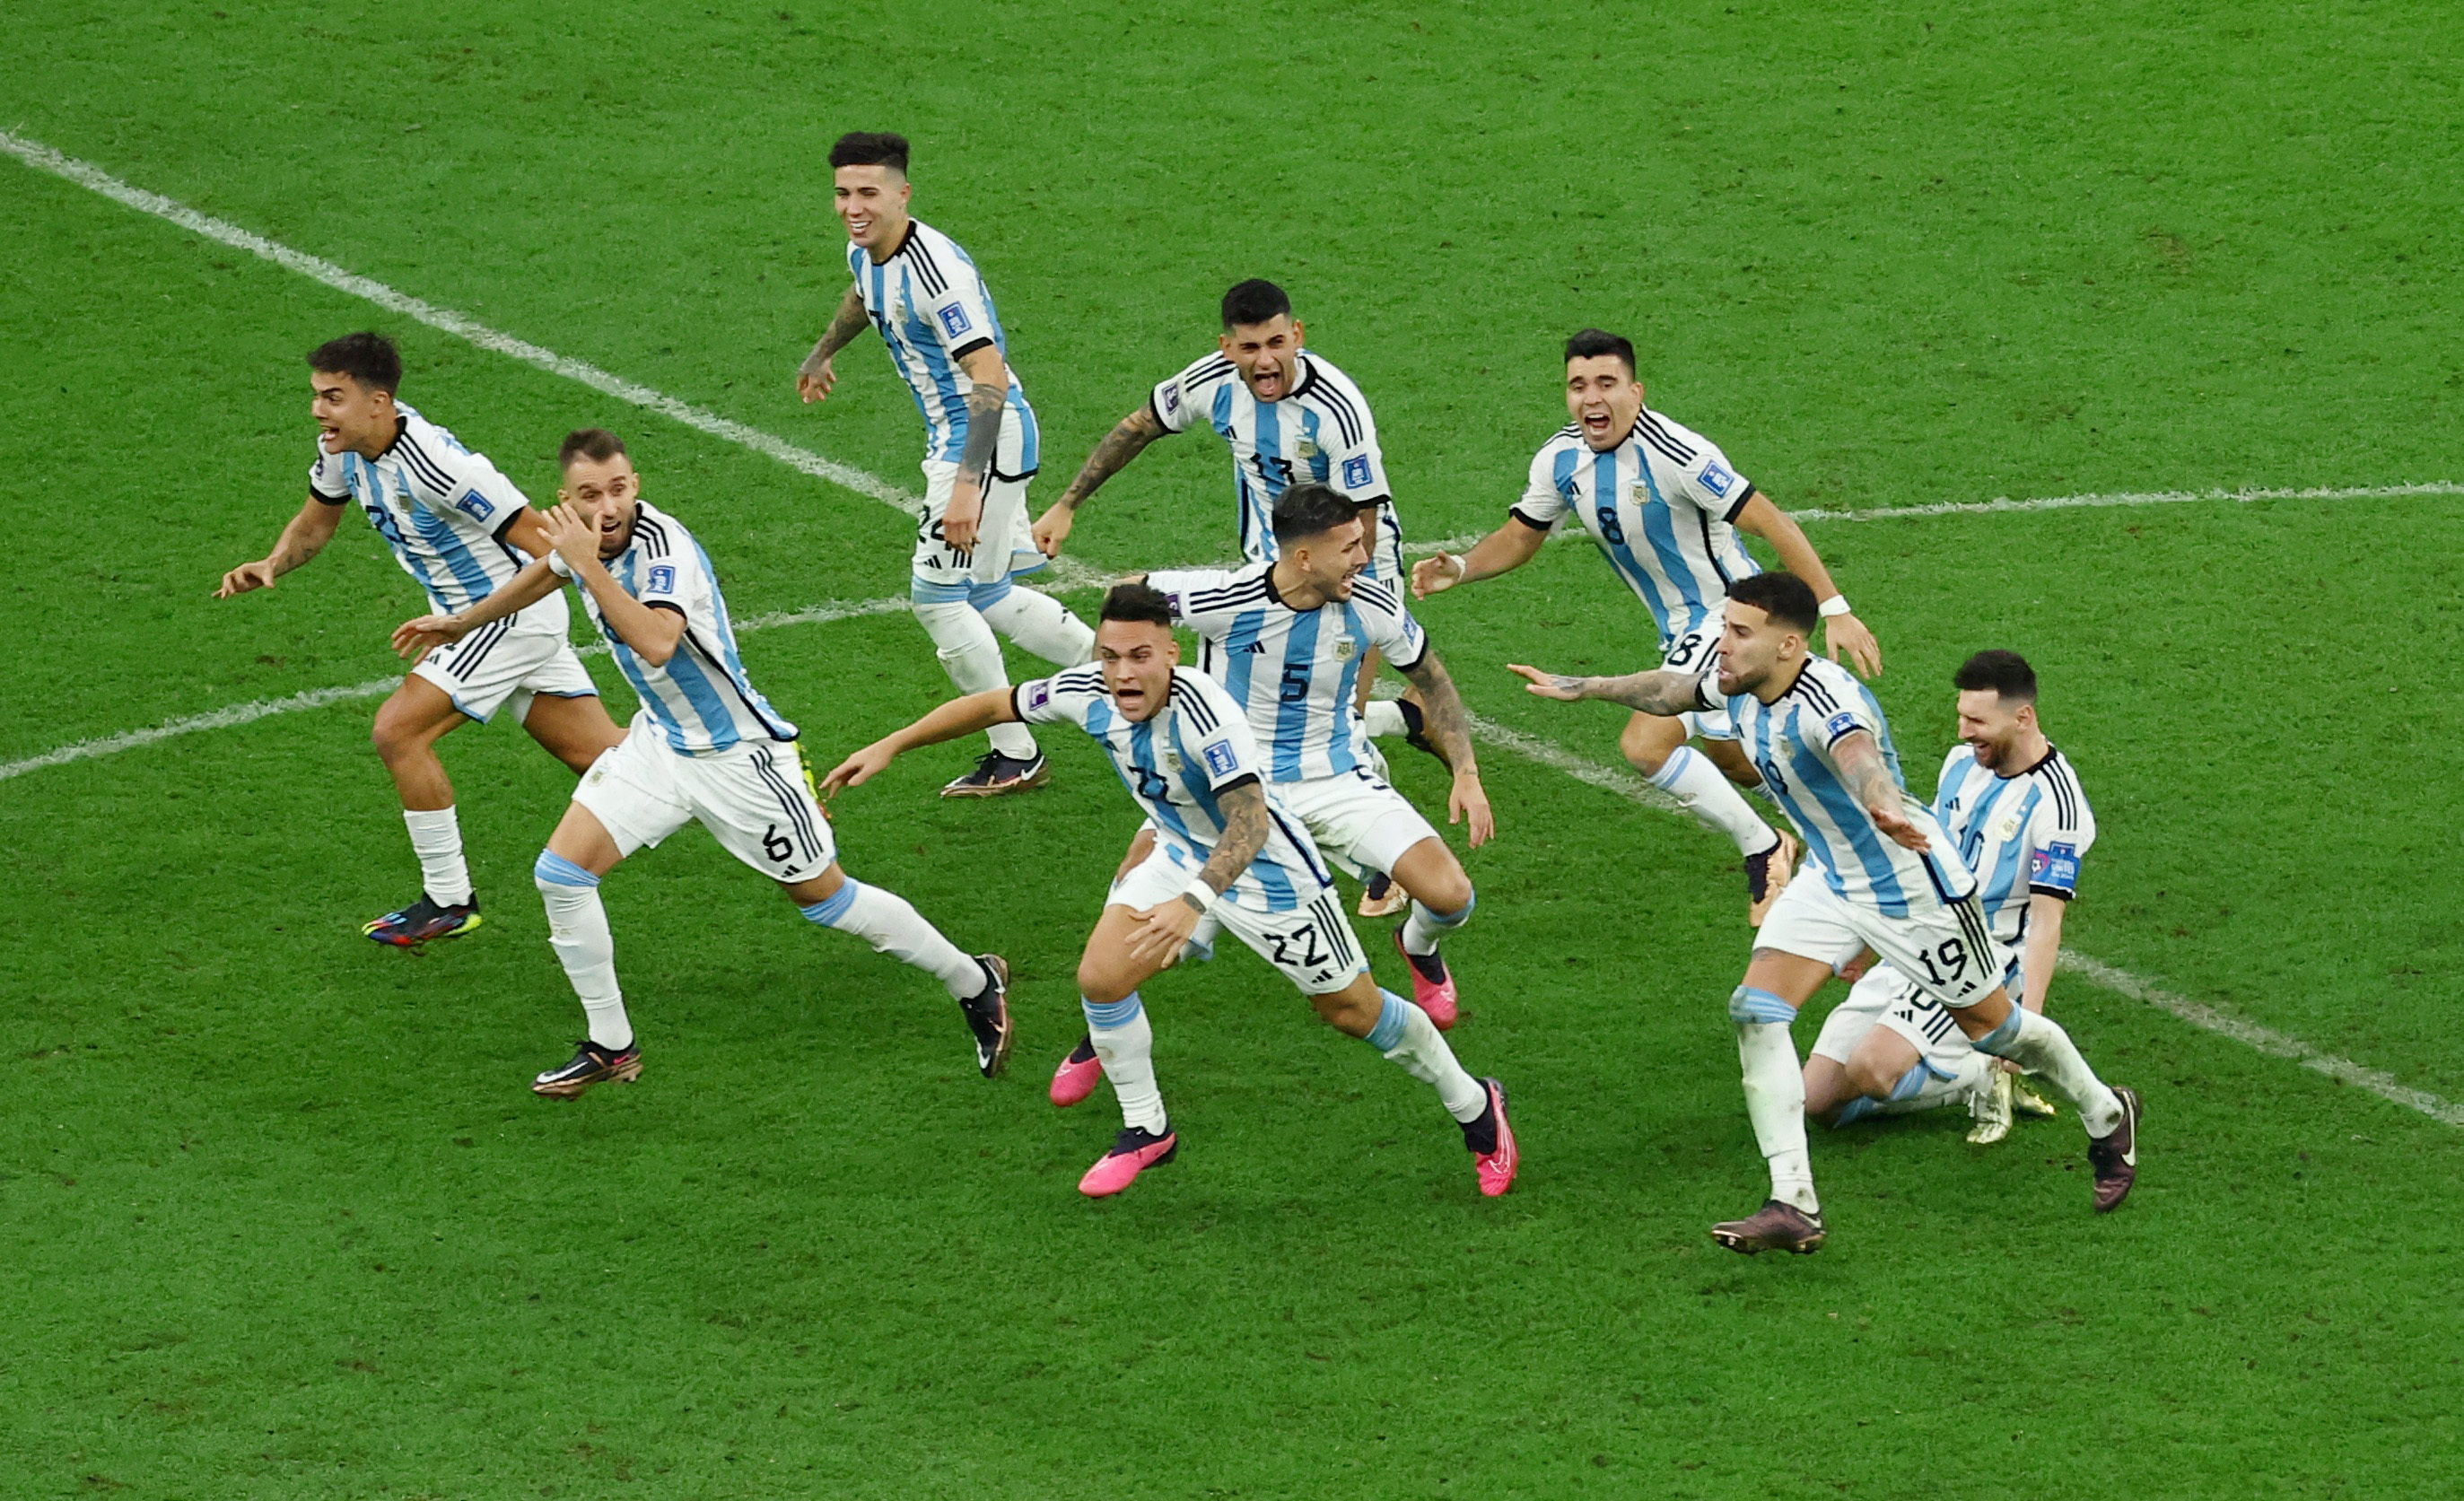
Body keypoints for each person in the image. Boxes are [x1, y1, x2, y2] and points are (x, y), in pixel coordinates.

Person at [822, 583, 1516, 1200]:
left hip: (1268, 874)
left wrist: (1194, 903)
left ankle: (1475, 1104)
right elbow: (995, 702)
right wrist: (894, 743)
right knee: (1100, 976)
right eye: (1111, 655)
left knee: (1351, 1011)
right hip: (1179, 851)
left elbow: (1251, 818)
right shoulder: (1086, 693)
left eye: (1140, 656)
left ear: (1171, 654)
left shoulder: (1203, 714)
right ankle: (1146, 1128)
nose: (1123, 672)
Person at [1511, 572, 2138, 1253]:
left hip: (1907, 888)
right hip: (1831, 881)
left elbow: (1859, 753)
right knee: (1755, 1009)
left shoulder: (1826, 699)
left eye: (1739, 632)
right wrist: (1586, 686)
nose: (1722, 642)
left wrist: (1883, 801)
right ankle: (1793, 1202)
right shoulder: (1741, 680)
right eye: (1725, 625)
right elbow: (1670, 690)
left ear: (1788, 645)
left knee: (1996, 1029)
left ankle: (2106, 1110)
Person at [393, 430, 1012, 1096]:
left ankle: (975, 981)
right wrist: (464, 622)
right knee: (561, 874)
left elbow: (658, 641)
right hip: (661, 745)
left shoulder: (666, 551)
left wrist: (586, 564)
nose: (608, 507)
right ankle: (612, 1045)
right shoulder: (579, 537)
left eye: (620, 489)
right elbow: (546, 569)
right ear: (566, 497)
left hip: (740, 758)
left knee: (825, 899)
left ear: (636, 485)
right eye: (590, 495)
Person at [1043, 484, 1493, 1106]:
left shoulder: (1372, 603)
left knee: (1451, 896)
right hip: (1230, 784)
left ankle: (1417, 946)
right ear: (1304, 558)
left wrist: (1465, 771)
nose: (1364, 556)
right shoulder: (1224, 597)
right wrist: (1129, 671)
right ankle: (1103, 1029)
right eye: (1350, 545)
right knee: (1136, 909)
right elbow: (1129, 592)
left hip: (1336, 777)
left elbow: (1431, 679)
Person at [1414, 329, 1884, 925]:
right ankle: (1829, 834)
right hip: (1680, 633)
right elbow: (1520, 537)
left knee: (1645, 743)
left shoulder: (1679, 453)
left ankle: (1765, 847)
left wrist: (1835, 607)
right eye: (1578, 386)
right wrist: (1459, 568)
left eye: (1607, 384)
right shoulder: (1561, 460)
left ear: (1635, 391)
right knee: (1735, 758)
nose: (1593, 399)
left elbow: (1775, 523)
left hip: (1731, 615)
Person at [216, 331, 624, 947]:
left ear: (378, 401)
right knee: (608, 764)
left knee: (397, 729)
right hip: (467, 620)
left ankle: (449, 899)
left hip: (507, 619)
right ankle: (753, 773)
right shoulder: (341, 448)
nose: (318, 411)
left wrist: (477, 619)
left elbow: (550, 547)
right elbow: (316, 523)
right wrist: (274, 561)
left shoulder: (440, 466)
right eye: (317, 396)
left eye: (333, 397)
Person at [793, 131, 1093, 797]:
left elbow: (987, 374)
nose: (853, 206)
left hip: (979, 440)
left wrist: (965, 488)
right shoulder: (868, 245)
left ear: (904, 193)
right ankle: (1117, 672)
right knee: (985, 593)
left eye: (868, 192)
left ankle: (1015, 750)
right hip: (965, 440)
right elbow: (863, 295)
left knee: (936, 599)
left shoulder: (938, 274)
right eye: (843, 193)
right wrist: (823, 352)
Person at [1804, 650, 2090, 1143]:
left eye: (1977, 721)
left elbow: (2046, 924)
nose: (1963, 732)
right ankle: (1963, 1074)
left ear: (2023, 718)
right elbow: (1923, 859)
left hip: (1983, 961)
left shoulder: (2058, 807)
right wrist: (1870, 941)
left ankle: (1980, 1077)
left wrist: (2027, 1034)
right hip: (1917, 939)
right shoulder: (1961, 764)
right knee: (1818, 1102)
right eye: (1961, 716)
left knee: (1872, 1070)